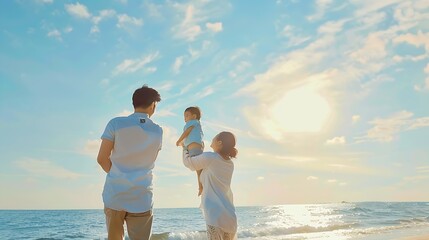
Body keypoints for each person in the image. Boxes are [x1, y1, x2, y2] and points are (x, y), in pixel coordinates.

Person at [97, 85, 162, 240]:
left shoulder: (115, 123)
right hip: (142, 196)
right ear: (153, 104)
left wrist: (118, 174)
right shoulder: (157, 131)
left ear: (134, 102)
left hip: (115, 194)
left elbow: (101, 159)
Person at [182, 131, 238, 240]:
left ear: (219, 143)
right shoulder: (230, 164)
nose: (211, 144)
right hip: (230, 217)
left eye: (213, 140)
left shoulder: (211, 158)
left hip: (215, 216)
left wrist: (185, 147)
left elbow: (189, 163)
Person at [176, 106, 204, 196]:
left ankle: (201, 187)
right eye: (184, 116)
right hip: (196, 148)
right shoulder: (197, 124)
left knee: (198, 169)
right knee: (199, 170)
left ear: (194, 116)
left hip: (194, 149)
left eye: (187, 115)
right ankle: (201, 187)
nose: (185, 118)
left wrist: (178, 140)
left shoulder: (192, 123)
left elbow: (186, 132)